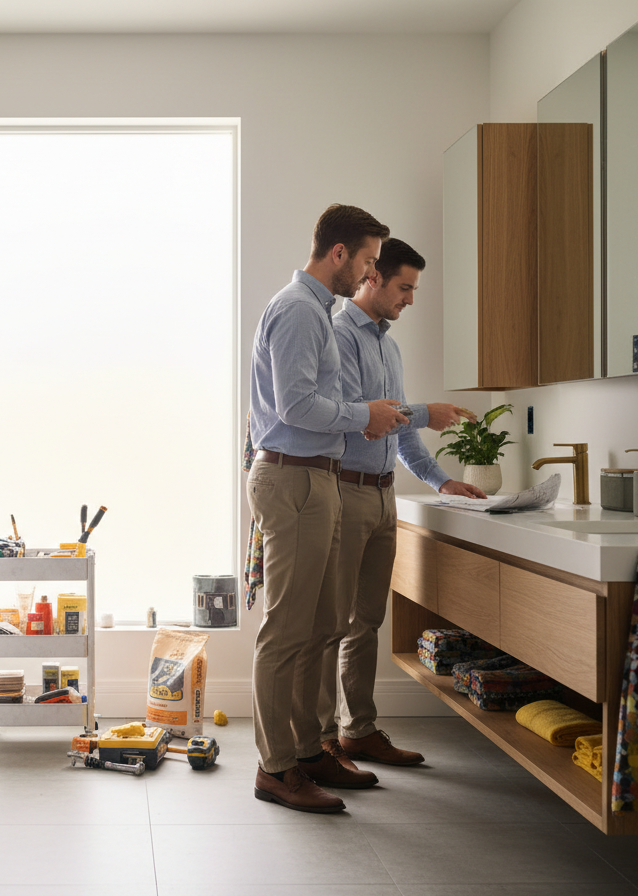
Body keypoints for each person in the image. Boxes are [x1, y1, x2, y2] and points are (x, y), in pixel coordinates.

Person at [247, 204, 408, 814]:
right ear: (339, 254)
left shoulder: (316, 311)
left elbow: (318, 401)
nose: (369, 273)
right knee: (285, 633)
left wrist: (370, 416)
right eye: (368, 261)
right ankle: (275, 768)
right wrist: (362, 416)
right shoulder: (297, 311)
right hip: (294, 481)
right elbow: (296, 406)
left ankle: (308, 750)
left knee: (319, 629)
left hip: (319, 479)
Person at [318, 237, 485, 777]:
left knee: (366, 620)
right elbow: (358, 414)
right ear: (371, 278)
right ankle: (320, 741)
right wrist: (422, 411)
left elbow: (402, 433)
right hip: (343, 489)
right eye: (404, 287)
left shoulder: (389, 347)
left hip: (384, 492)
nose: (411, 299)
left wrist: (441, 482)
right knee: (331, 623)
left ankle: (358, 730)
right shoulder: (337, 336)